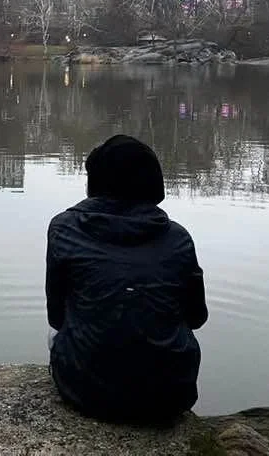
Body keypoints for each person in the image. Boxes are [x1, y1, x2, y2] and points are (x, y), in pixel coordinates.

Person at [46, 134, 208, 424]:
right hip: (170, 398)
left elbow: (57, 317)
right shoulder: (178, 239)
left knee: (57, 334)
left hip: (86, 393)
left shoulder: (63, 229)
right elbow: (196, 317)